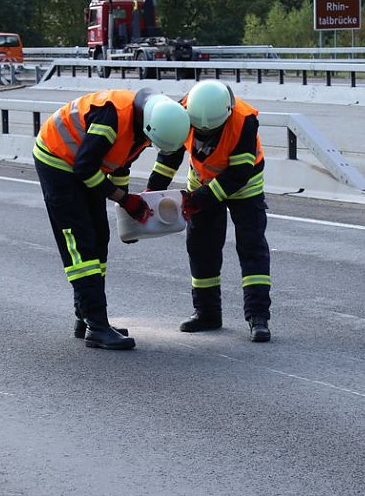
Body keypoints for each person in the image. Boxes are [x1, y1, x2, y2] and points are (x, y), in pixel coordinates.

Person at [34, 88, 190, 350]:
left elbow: (118, 165)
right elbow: (85, 168)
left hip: (85, 165)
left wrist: (128, 211)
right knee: (81, 241)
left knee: (98, 236)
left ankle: (87, 316)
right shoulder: (113, 118)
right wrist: (125, 200)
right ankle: (96, 325)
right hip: (58, 162)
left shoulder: (145, 121)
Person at [146, 80, 272, 342]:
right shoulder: (183, 111)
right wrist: (151, 195)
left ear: (226, 114)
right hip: (201, 185)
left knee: (251, 248)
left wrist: (199, 199)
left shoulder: (244, 121)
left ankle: (258, 317)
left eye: (210, 133)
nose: (204, 137)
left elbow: (238, 173)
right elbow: (170, 155)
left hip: (243, 189)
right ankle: (207, 313)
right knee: (201, 247)